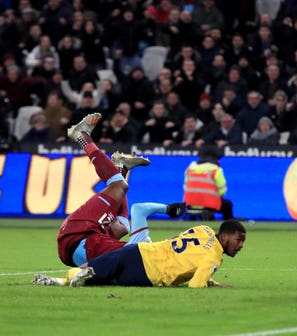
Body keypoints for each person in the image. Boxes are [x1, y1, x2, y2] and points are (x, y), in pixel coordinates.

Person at [57, 112, 186, 267]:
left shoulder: (139, 253)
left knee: (119, 188)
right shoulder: (140, 255)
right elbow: (137, 211)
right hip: (78, 249)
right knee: (122, 226)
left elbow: (139, 210)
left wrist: (169, 209)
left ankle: (92, 144)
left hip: (76, 236)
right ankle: (112, 161)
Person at [33, 220, 246, 288]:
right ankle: (65, 280)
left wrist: (211, 280)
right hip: (147, 274)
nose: (241, 245)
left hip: (140, 250)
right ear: (225, 237)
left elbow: (192, 256)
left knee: (98, 267)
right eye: (239, 240)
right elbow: (195, 284)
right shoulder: (214, 258)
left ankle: (62, 280)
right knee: (109, 279)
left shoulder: (204, 229)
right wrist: (211, 281)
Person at [183, 146, 235, 221]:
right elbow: (222, 190)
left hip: (190, 202)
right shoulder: (216, 169)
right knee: (228, 205)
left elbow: (185, 187)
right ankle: (228, 227)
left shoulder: (190, 168)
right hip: (208, 203)